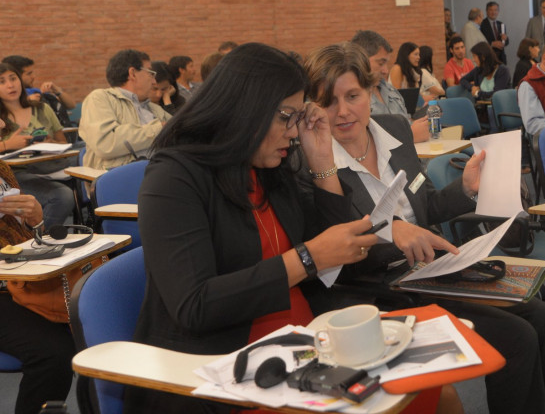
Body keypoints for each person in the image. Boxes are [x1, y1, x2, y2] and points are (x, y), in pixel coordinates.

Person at [300, 42, 545, 414]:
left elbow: (426, 207)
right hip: (377, 287)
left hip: (431, 271)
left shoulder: (392, 129)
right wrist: (389, 232)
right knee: (517, 336)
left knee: (544, 317)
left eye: (352, 96)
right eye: (329, 102)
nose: (342, 112)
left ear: (370, 92)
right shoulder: (313, 159)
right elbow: (334, 254)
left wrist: (466, 189)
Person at [124, 43, 379, 414]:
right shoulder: (174, 177)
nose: (293, 132)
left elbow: (339, 253)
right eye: (286, 117)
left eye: (297, 117)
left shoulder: (267, 167)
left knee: (436, 394)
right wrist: (306, 259)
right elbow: (195, 305)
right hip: (227, 371)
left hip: (304, 348)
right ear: (246, 110)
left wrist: (322, 157)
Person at [0, 151, 75, 414]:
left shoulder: (2, 168)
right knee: (54, 354)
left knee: (92, 321)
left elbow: (28, 238)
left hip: (21, 275)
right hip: (8, 284)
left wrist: (36, 221)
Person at [0, 62, 75, 227]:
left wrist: (50, 142)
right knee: (62, 196)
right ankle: (40, 241)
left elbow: (63, 141)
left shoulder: (42, 108)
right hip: (18, 173)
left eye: (13, 79)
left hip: (51, 167)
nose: (10, 85)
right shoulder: (1, 120)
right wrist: (8, 144)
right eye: (2, 81)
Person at [78, 49, 171, 170]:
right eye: (151, 73)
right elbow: (106, 143)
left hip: (161, 171)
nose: (154, 82)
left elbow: (179, 129)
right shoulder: (99, 98)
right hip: (123, 177)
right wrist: (159, 129)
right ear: (132, 73)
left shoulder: (154, 108)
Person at [350, 30, 430, 143]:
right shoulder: (352, 99)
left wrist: (420, 124)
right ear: (360, 60)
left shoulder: (390, 90)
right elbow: (362, 143)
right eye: (380, 63)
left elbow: (406, 123)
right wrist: (409, 136)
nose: (386, 71)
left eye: (386, 63)